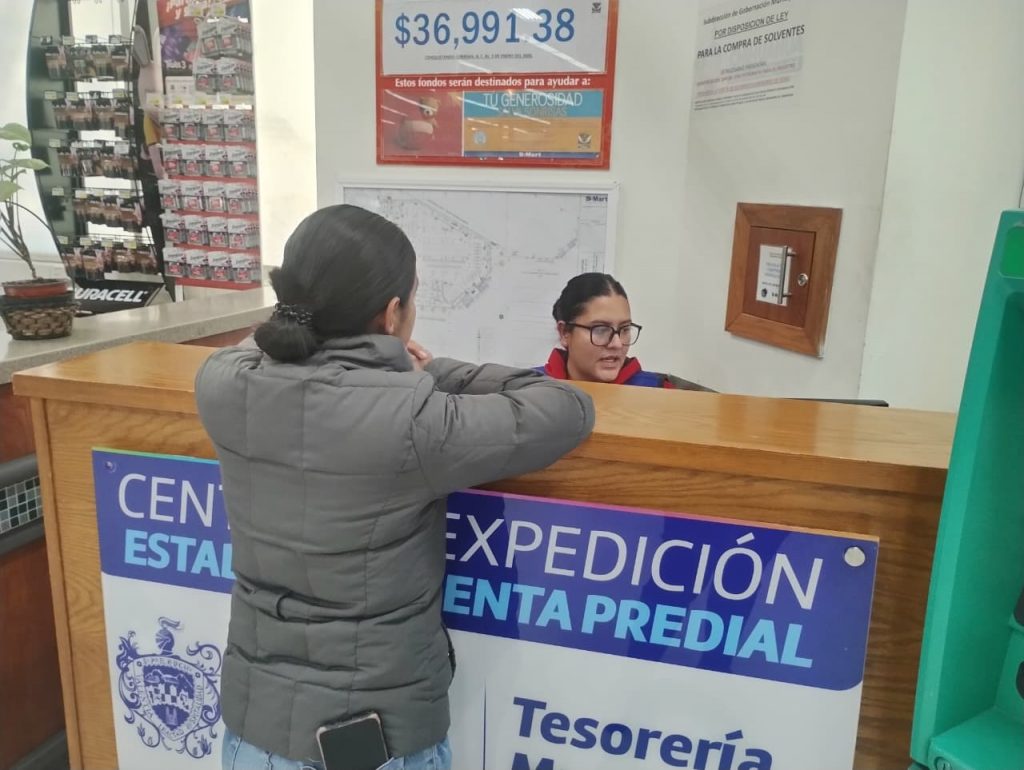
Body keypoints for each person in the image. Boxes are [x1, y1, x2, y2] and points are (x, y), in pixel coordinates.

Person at [194, 205, 595, 770]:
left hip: (251, 737)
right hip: (369, 741)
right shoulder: (412, 419)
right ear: (391, 314)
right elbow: (567, 406)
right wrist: (431, 371)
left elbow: (258, 347)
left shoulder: (220, 383)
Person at [538, 273, 713, 391]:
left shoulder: (660, 394)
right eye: (601, 329)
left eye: (624, 329)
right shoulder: (528, 393)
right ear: (564, 333)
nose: (617, 344)